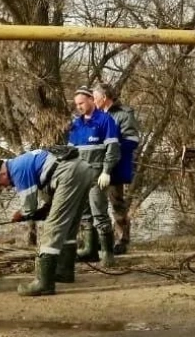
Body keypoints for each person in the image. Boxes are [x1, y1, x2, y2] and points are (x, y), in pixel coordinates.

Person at [0, 145, 97, 296]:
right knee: (70, 225)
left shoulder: (17, 170)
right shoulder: (24, 161)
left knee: (52, 228)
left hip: (69, 174)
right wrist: (44, 209)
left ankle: (44, 283)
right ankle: (64, 271)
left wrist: (19, 215)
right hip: (84, 170)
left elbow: (28, 208)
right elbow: (48, 188)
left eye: (1, 184)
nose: (5, 187)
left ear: (2, 173)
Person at [66, 86, 119, 266]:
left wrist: (106, 171)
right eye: (77, 104)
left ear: (90, 100)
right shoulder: (76, 124)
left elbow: (112, 149)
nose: (79, 106)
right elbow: (71, 152)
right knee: (85, 214)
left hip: (97, 176)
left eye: (81, 103)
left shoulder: (105, 120)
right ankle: (90, 250)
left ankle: (108, 254)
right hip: (80, 175)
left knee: (100, 212)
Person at [92, 82, 140, 255]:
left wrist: (111, 149)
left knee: (117, 204)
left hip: (116, 166)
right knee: (96, 203)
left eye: (95, 98)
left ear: (104, 98)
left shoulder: (123, 114)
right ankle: (101, 239)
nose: (93, 101)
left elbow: (132, 141)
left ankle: (122, 241)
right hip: (96, 167)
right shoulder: (95, 116)